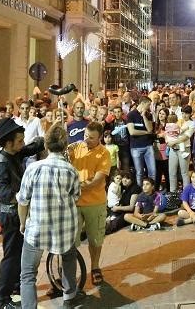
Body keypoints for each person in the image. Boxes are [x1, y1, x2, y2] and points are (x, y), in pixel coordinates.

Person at [18, 125, 83, 309]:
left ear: (46, 145)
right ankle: (69, 297)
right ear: (65, 145)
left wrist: (23, 223)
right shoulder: (71, 170)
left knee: (28, 273)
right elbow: (76, 196)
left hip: (37, 227)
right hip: (65, 228)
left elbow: (23, 201)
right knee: (69, 258)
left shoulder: (33, 168)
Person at [0, 117, 44, 309]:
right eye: (19, 140)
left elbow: (33, 146)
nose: (22, 143)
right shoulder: (1, 163)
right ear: (8, 142)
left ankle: (16, 287)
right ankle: (1, 300)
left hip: (20, 214)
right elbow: (4, 194)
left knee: (20, 254)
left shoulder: (14, 151)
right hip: (11, 216)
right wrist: (25, 194)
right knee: (11, 257)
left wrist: (51, 134)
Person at [69, 121, 111, 287]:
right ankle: (69, 272)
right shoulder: (75, 147)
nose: (87, 140)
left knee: (95, 239)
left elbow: (97, 180)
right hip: (75, 204)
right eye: (86, 135)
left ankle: (95, 267)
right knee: (71, 241)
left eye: (91, 138)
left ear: (100, 137)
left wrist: (75, 186)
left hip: (95, 202)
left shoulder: (104, 153)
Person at [127, 97, 155, 186]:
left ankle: (152, 190)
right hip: (136, 147)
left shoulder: (148, 115)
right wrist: (145, 132)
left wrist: (144, 116)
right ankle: (140, 192)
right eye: (148, 105)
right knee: (139, 172)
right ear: (143, 103)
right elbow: (132, 132)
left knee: (152, 171)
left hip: (148, 146)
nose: (149, 107)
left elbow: (150, 129)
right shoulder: (131, 115)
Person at [167, 105, 194, 192]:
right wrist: (168, 141)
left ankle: (186, 193)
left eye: (186, 113)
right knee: (172, 173)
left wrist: (173, 142)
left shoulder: (192, 123)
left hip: (184, 149)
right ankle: (173, 193)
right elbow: (169, 132)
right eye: (183, 113)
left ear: (190, 114)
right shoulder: (177, 121)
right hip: (173, 149)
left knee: (184, 173)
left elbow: (186, 137)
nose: (184, 115)